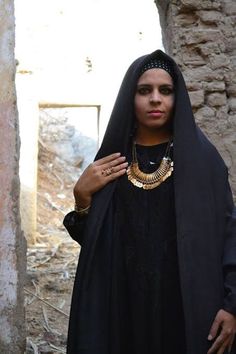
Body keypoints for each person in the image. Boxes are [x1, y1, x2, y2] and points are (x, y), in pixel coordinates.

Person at [63, 49, 236, 354]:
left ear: (177, 97)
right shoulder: (112, 163)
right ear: (130, 97)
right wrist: (82, 198)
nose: (155, 99)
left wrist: (232, 305)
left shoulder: (203, 162)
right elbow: (97, 246)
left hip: (187, 307)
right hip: (122, 307)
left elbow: (229, 237)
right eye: (145, 90)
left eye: (165, 91)